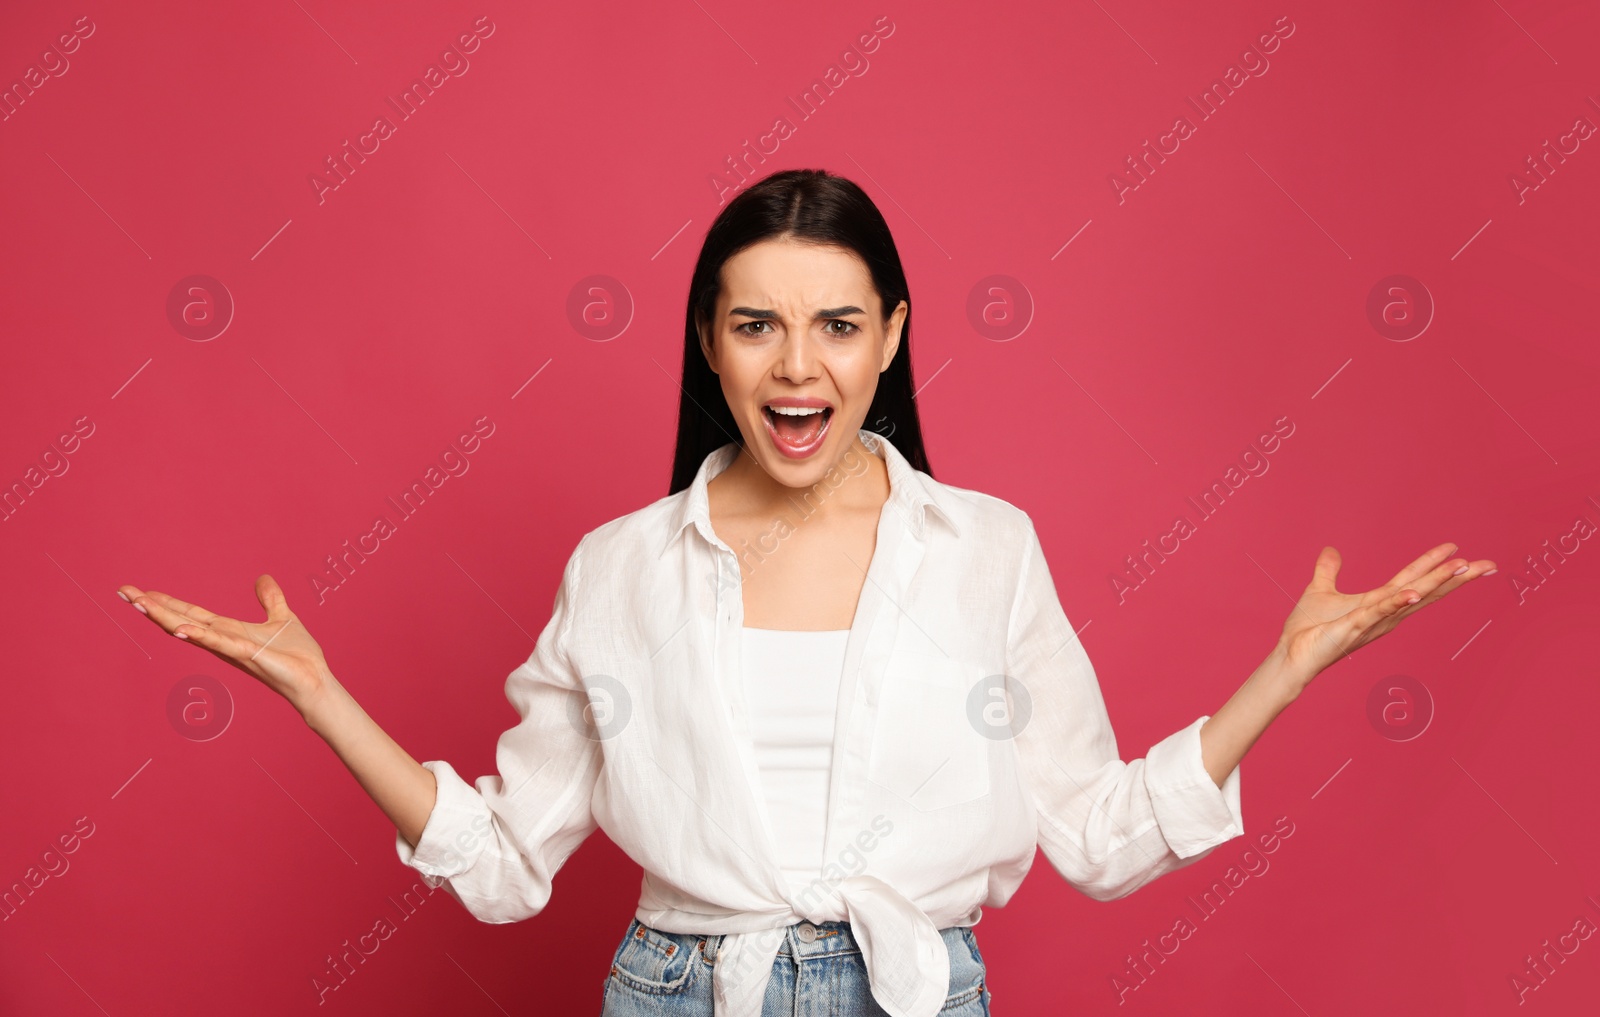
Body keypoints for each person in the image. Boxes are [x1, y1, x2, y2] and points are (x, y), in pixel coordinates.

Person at [117, 169, 1495, 1017]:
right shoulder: (621, 568)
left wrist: (1281, 675)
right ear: (710, 346)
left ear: (892, 338)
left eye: (838, 324)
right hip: (675, 993)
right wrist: (320, 695)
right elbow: (503, 866)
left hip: (918, 995)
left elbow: (1101, 832)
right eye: (756, 322)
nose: (798, 365)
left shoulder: (986, 550)